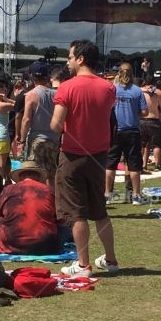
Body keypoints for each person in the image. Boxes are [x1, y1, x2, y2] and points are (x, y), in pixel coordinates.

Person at [51, 40, 119, 277]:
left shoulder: (67, 87)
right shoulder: (108, 87)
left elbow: (56, 123)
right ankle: (110, 259)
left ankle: (83, 264)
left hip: (72, 155)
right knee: (100, 211)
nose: (68, 62)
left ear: (80, 59)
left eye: (70, 57)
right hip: (99, 156)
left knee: (77, 213)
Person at [0, 160, 61, 256]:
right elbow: (60, 218)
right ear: (37, 176)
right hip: (45, 245)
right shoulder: (49, 190)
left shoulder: (8, 190)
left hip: (11, 244)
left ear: (20, 177)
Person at [105, 63, 147, 204]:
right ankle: (136, 195)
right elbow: (145, 111)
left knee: (110, 164)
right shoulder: (137, 91)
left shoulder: (112, 89)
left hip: (115, 130)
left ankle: (107, 193)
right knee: (134, 165)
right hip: (132, 131)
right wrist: (134, 112)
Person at [18, 61, 58, 181]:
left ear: (31, 76)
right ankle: (51, 198)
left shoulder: (31, 95)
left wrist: (22, 140)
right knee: (51, 174)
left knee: (35, 173)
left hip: (37, 139)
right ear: (47, 77)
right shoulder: (56, 94)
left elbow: (26, 119)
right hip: (54, 139)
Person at [139, 75, 161, 171]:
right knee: (156, 144)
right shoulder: (158, 93)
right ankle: (158, 165)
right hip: (154, 120)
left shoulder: (139, 91)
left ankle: (142, 164)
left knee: (142, 144)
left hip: (142, 120)